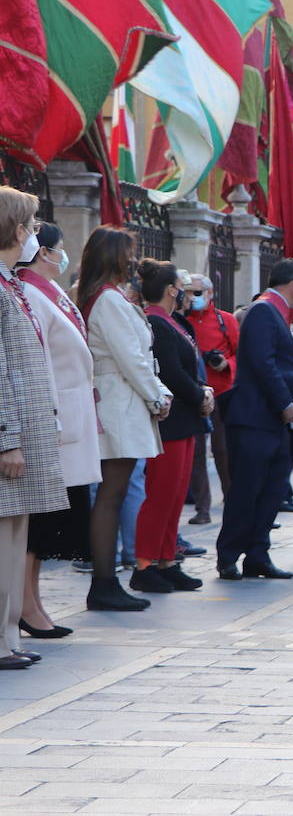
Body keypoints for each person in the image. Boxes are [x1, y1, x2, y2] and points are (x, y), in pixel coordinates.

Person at [79, 226, 171, 610]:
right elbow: (130, 357)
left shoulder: (108, 298)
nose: (133, 260)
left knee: (114, 494)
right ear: (113, 257)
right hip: (119, 403)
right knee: (112, 495)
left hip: (122, 400)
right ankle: (103, 582)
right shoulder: (109, 302)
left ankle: (106, 580)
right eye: (128, 253)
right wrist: (157, 396)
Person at [16, 222, 98, 638]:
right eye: (60, 249)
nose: (64, 256)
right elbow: (39, 360)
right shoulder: (27, 291)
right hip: (52, 419)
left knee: (46, 525)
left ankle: (34, 602)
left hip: (72, 413)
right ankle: (26, 605)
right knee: (37, 524)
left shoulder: (51, 291)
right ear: (43, 250)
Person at [0, 190, 66, 668]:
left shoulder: (11, 285)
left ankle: (7, 637)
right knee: (4, 544)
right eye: (30, 224)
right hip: (11, 440)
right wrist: (8, 439)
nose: (34, 232)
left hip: (27, 434)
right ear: (15, 229)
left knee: (16, 540)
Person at [216, 258, 293, 580]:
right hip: (256, 417)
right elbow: (262, 362)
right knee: (247, 489)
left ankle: (257, 553)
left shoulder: (278, 313)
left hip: (274, 419)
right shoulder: (264, 310)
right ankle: (228, 555)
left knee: (272, 489)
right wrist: (285, 402)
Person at [128, 260, 212, 594]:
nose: (186, 293)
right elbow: (171, 373)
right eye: (181, 286)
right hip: (171, 420)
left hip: (186, 417)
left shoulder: (173, 322)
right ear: (170, 290)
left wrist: (203, 392)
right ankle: (145, 563)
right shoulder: (156, 323)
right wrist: (198, 395)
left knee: (175, 495)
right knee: (160, 495)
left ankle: (166, 560)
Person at [184, 274, 237, 525]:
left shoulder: (225, 320)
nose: (193, 297)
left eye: (198, 292)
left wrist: (227, 363)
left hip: (222, 392)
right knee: (195, 454)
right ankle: (202, 508)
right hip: (193, 393)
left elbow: (241, 354)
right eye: (189, 292)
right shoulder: (182, 321)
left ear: (210, 292)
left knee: (223, 450)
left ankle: (231, 499)